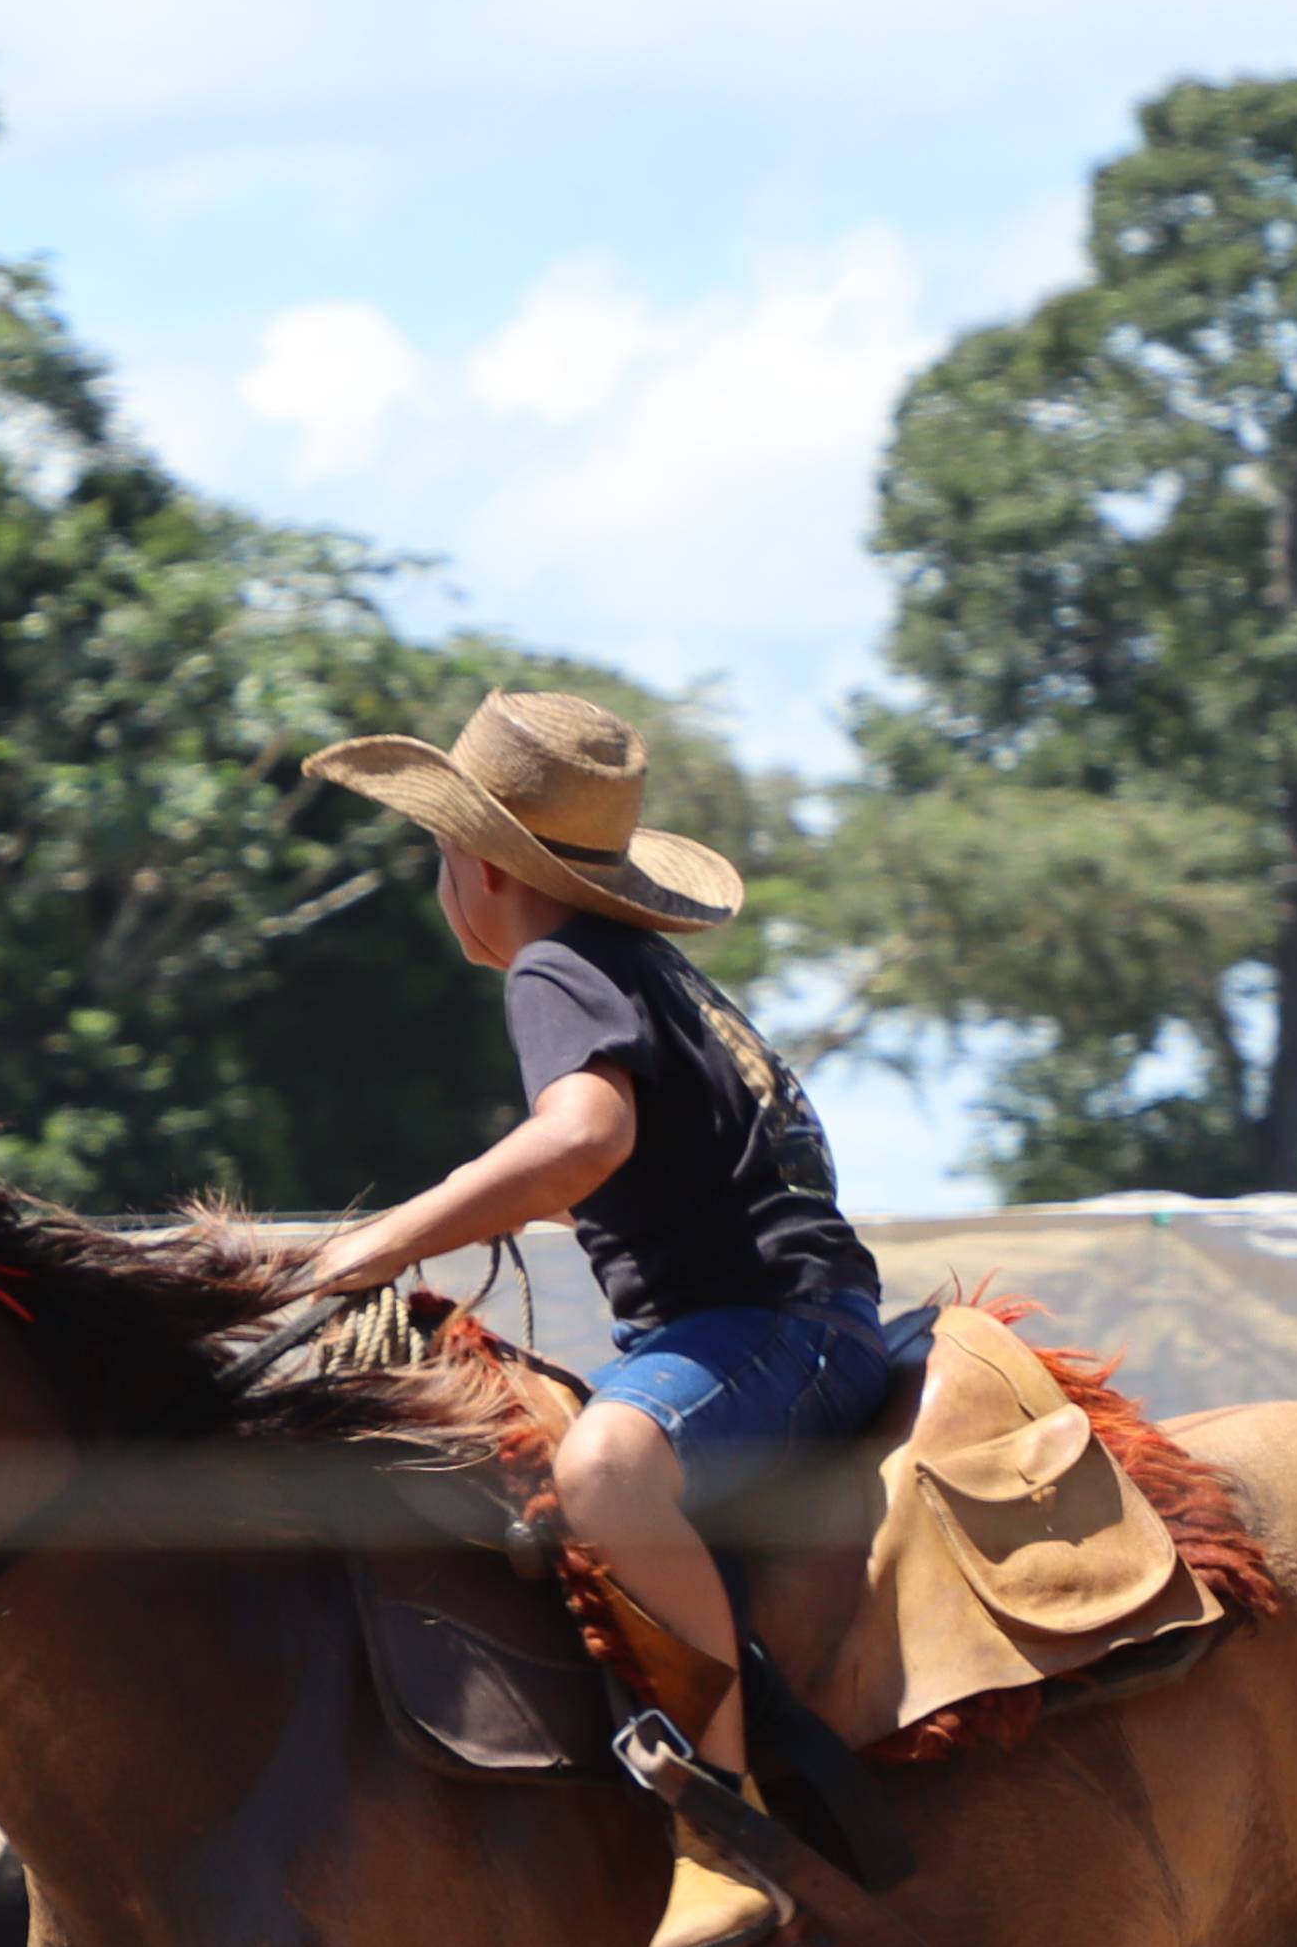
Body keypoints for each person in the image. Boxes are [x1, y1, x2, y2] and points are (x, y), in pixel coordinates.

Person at [289, 686, 889, 1723]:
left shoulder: (555, 967)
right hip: (810, 1328)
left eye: (441, 856)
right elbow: (660, 1178)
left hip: (763, 1330)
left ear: (479, 866)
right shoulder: (649, 971)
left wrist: (382, 1242)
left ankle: (715, 1783)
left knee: (605, 1471)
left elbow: (584, 1140)